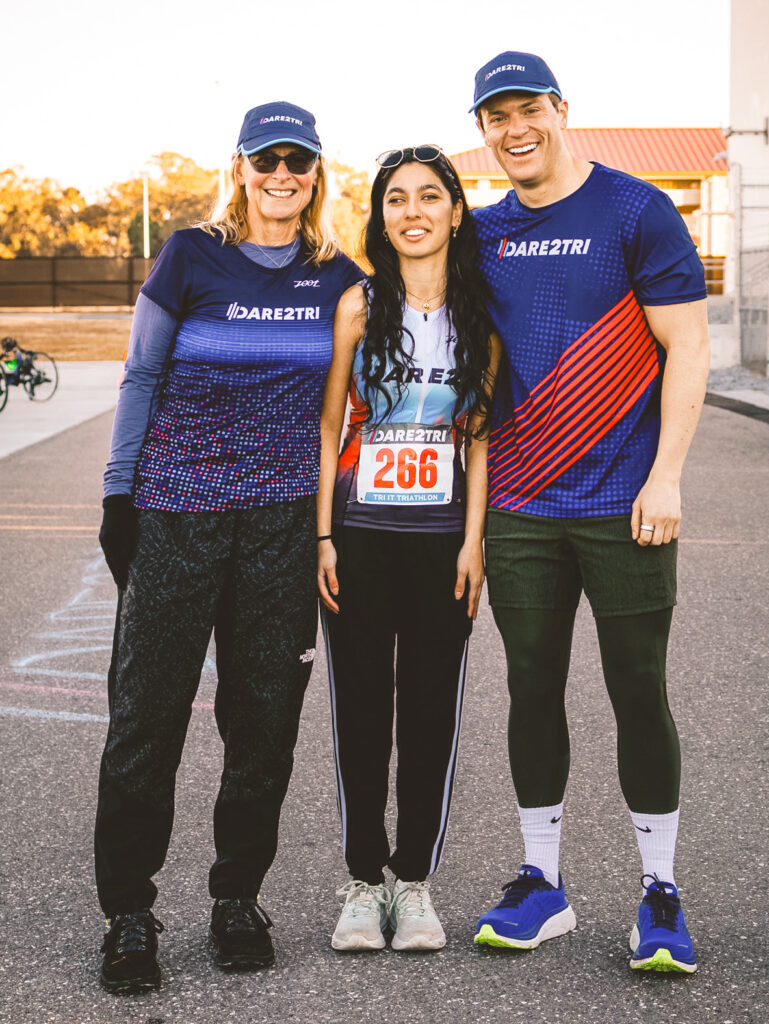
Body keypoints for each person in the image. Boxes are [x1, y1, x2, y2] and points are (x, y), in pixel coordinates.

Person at [94, 100, 362, 993]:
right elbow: (141, 373)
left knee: (262, 726)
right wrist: (118, 494)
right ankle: (129, 913)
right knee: (145, 719)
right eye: (265, 159)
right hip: (176, 514)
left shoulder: (338, 276)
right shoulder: (190, 254)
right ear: (240, 167)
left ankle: (236, 899)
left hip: (280, 526)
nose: (280, 174)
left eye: (297, 160)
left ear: (316, 173)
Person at [467, 52, 709, 973]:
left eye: (527, 108)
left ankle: (659, 891)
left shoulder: (634, 209)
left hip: (624, 502)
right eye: (496, 116)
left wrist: (668, 475)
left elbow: (685, 347)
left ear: (560, 110)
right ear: (483, 129)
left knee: (636, 692)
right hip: (521, 506)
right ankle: (542, 882)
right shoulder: (482, 233)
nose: (513, 128)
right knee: (530, 687)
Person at [317, 145, 499, 952]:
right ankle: (362, 884)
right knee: (360, 710)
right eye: (397, 199)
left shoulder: (480, 313)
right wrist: (322, 533)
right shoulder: (357, 305)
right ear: (380, 215)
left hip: (438, 549)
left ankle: (415, 884)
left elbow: (482, 439)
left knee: (429, 713)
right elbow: (330, 429)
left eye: (431, 197)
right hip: (358, 540)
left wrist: (474, 543)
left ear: (456, 212)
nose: (414, 211)